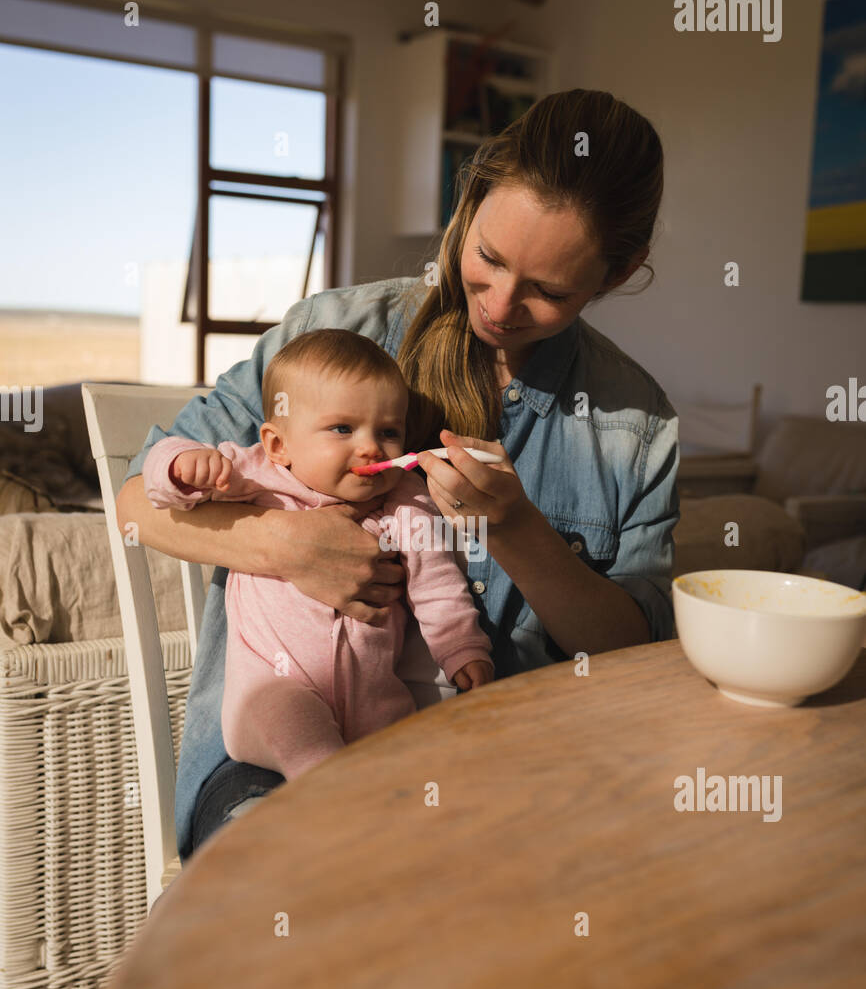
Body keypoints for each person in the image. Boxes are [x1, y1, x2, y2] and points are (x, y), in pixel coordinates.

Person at [117, 88, 680, 862]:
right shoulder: (329, 336)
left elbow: (635, 657)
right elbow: (132, 502)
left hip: (516, 775)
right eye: (487, 258)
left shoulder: (635, 424)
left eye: (549, 291)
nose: (502, 305)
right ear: (468, 199)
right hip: (268, 768)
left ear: (619, 275)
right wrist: (281, 544)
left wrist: (517, 532)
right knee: (317, 890)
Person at [140, 328, 494, 782]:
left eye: (388, 431)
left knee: (416, 769)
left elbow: (438, 585)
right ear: (278, 445)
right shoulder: (257, 475)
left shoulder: (405, 500)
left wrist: (463, 650)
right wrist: (181, 466)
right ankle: (331, 803)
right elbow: (159, 477)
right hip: (272, 693)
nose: (370, 446)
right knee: (311, 747)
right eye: (342, 428)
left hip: (375, 703)